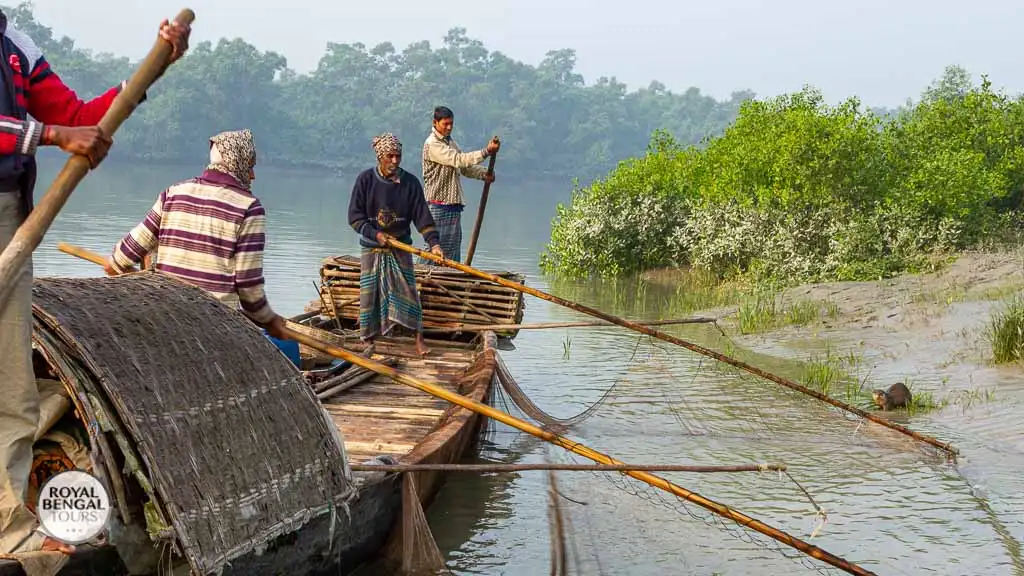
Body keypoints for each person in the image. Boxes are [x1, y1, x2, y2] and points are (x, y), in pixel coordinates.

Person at [0, 13, 190, 557]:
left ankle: (8, 529)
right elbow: (61, 128)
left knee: (12, 385)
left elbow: (79, 116)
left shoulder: (15, 43)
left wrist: (150, 71)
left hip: (11, 219)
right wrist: (52, 135)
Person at [104, 129, 287, 342]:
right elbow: (248, 289)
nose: (253, 175)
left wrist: (134, 280)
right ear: (238, 163)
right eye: (251, 166)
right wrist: (270, 320)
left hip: (163, 319)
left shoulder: (172, 194)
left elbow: (119, 259)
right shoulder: (249, 208)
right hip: (214, 328)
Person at [349, 133, 443, 357]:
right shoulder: (365, 180)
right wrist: (376, 234)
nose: (394, 161)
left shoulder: (410, 183)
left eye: (398, 156)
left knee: (409, 292)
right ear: (380, 157)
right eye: (390, 156)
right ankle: (368, 339)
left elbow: (422, 217)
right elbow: (354, 218)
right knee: (369, 294)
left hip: (400, 247)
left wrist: (434, 244)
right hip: (372, 248)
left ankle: (418, 339)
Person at [420, 106, 500, 263]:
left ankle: (447, 282)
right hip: (437, 206)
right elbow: (458, 159)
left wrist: (484, 174)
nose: (449, 127)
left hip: (452, 206)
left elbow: (464, 168)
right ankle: (421, 281)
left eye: (451, 124)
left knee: (451, 251)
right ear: (435, 122)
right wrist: (486, 152)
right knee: (434, 250)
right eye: (445, 124)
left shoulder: (451, 143)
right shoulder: (433, 144)